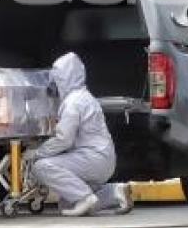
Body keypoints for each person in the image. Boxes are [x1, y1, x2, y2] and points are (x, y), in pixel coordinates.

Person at [29, 52, 133, 216]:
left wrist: (38, 153)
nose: (54, 85)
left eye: (56, 79)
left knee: (41, 166)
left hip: (92, 159)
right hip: (102, 159)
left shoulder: (73, 102)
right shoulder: (85, 96)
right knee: (65, 205)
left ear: (64, 78)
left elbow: (64, 139)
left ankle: (85, 197)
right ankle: (113, 193)